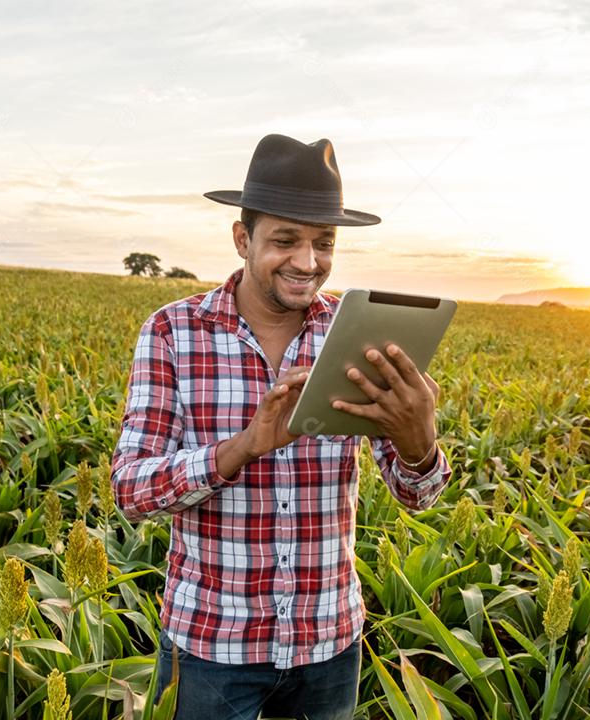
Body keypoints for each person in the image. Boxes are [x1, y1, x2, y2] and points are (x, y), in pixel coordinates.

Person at [110, 133, 452, 720]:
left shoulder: (354, 334)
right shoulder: (173, 332)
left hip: (329, 639)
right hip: (211, 643)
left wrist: (418, 444)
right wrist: (242, 448)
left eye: (324, 242)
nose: (308, 262)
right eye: (285, 240)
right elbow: (131, 490)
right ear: (243, 239)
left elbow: (416, 494)